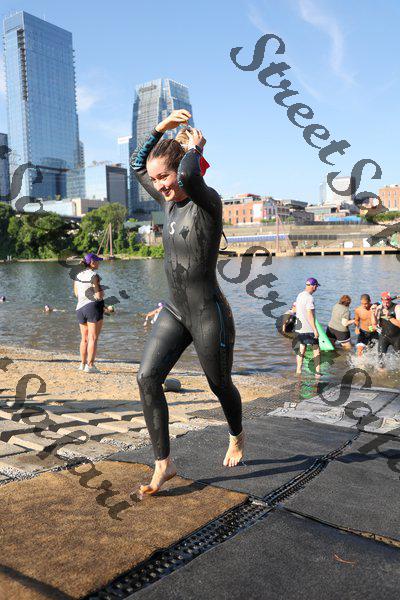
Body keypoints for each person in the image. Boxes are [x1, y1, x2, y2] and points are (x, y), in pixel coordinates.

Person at [132, 108, 243, 496]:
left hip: (209, 313)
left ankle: (236, 434)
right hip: (177, 311)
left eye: (164, 176)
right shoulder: (168, 204)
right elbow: (137, 166)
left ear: (179, 170)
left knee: (219, 384)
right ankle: (164, 463)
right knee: (147, 377)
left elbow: (192, 176)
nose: (159, 185)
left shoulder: (207, 202)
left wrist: (194, 149)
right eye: (156, 179)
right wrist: (159, 129)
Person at [73, 253, 104, 374]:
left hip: (80, 308)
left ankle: (82, 364)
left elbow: (76, 294)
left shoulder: (78, 275)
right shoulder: (94, 276)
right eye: (97, 261)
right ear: (92, 262)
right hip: (92, 307)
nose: (99, 263)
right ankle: (90, 366)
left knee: (84, 338)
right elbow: (99, 295)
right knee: (93, 337)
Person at [294, 278, 321, 377]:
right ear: (313, 286)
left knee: (302, 348)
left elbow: (295, 309)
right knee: (316, 350)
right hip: (308, 328)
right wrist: (315, 329)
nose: (317, 288)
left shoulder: (300, 295)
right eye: (316, 286)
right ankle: (317, 373)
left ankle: (298, 371)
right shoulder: (310, 298)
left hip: (299, 327)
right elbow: (310, 314)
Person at [371, 292, 400, 365]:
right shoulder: (379, 308)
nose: (386, 305)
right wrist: (373, 313)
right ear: (382, 301)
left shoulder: (397, 308)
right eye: (384, 303)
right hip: (383, 337)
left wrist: (389, 317)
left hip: (396, 338)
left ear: (390, 300)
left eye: (387, 303)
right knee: (380, 361)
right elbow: (374, 324)